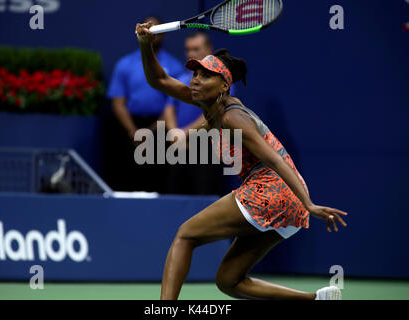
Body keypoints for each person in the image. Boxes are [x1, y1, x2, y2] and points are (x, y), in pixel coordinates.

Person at [135, 22, 348, 300]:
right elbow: (159, 81)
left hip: (272, 188)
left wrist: (310, 203)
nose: (196, 79)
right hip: (290, 203)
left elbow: (273, 160)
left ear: (224, 84)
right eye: (195, 74)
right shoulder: (208, 104)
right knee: (229, 281)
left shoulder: (234, 116)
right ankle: (317, 299)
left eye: (205, 75)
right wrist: (145, 45)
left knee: (186, 235)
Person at [103, 16, 184, 193]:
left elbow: (172, 105)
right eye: (149, 27)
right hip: (130, 129)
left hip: (160, 131)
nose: (153, 31)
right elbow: (118, 103)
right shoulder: (125, 64)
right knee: (125, 181)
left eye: (156, 28)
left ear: (164, 33)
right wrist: (134, 132)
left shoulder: (175, 66)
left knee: (158, 182)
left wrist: (152, 132)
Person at [164, 31, 232, 195]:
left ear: (209, 49)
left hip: (208, 148)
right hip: (179, 147)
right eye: (188, 50)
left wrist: (185, 134)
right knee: (175, 198)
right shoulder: (182, 76)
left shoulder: (221, 80)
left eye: (195, 49)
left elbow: (214, 114)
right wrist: (174, 133)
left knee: (204, 199)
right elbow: (168, 108)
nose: (190, 54)